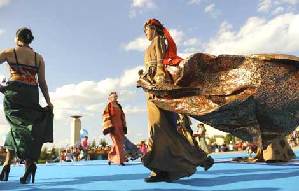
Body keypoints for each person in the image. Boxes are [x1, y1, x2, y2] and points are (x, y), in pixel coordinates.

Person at [142, 18, 214, 183]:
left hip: (157, 85)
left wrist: (160, 79)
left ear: (153, 28)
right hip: (150, 86)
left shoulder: (158, 40)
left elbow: (161, 62)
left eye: (146, 29)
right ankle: (163, 170)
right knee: (160, 129)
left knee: (161, 126)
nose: (145, 33)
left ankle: (196, 159)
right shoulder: (148, 46)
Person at [0, 27, 53, 184]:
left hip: (15, 92)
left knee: (18, 127)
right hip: (32, 93)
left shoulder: (10, 52)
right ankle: (9, 165)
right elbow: (42, 82)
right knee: (20, 128)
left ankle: (26, 164)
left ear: (17, 38)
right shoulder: (38, 58)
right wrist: (48, 102)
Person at [102, 92, 127, 166]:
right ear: (109, 98)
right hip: (112, 126)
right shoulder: (109, 105)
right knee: (117, 142)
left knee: (120, 142)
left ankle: (111, 157)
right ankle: (120, 161)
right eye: (113, 96)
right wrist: (109, 126)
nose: (115, 97)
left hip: (120, 125)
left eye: (116, 96)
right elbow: (105, 115)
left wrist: (123, 125)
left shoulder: (119, 106)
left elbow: (122, 116)